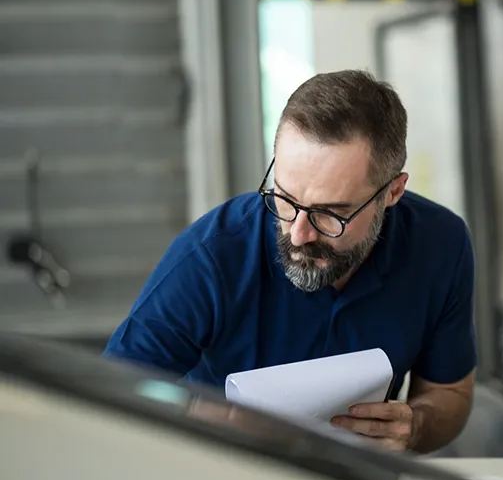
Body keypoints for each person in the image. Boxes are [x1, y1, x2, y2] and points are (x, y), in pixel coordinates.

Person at [104, 70, 477, 453]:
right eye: (284, 198)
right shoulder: (212, 256)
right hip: (221, 472)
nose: (298, 234)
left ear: (393, 192)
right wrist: (193, 413)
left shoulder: (440, 244)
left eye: (331, 213)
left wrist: (415, 426)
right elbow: (112, 393)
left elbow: (449, 393)